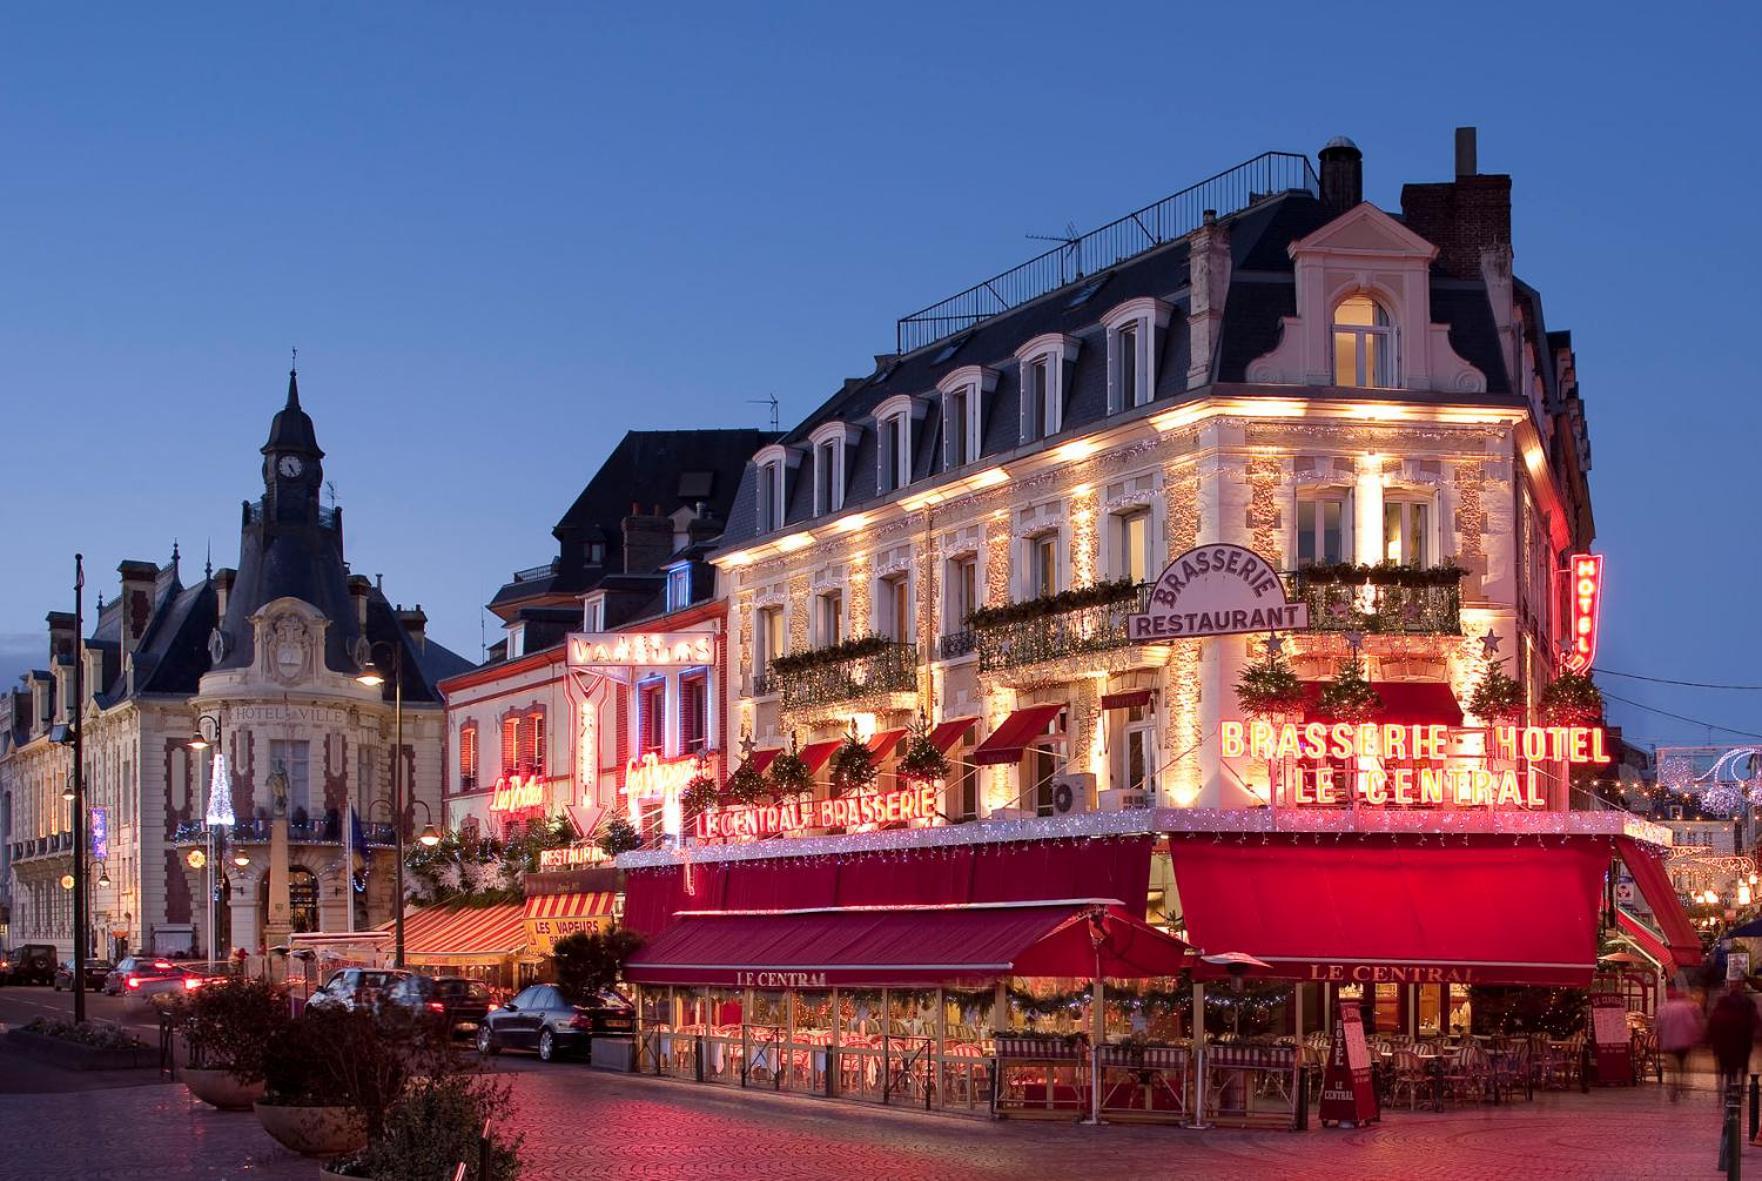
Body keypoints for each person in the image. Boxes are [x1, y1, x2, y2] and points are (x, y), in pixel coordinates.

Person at [1707, 982, 1756, 1099]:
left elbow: (1711, 1028)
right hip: (1742, 1047)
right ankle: (1741, 1090)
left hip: (1722, 1047)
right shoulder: (1743, 1013)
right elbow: (1751, 1026)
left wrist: (1710, 1042)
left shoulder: (1719, 1014)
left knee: (1724, 1070)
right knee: (1741, 1069)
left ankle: (1724, 1091)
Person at [1656, 987, 1705, 1101]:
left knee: (1672, 1067)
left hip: (1669, 1042)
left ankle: (1673, 1085)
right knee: (1684, 1064)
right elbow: (1694, 1024)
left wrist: (1660, 1037)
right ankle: (1683, 1084)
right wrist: (1697, 1037)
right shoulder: (1690, 1006)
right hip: (1685, 1042)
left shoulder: (1663, 1008)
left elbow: (1658, 1025)